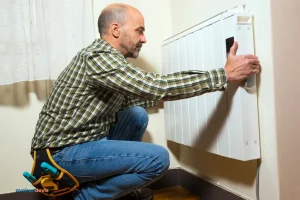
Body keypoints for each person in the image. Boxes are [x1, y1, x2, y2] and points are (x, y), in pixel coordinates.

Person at [30, 3, 260, 200]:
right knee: (158, 158)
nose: (144, 38)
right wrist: (222, 75)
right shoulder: (98, 57)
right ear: (116, 29)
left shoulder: (108, 63)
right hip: (57, 156)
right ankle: (85, 197)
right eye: (139, 30)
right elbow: (154, 87)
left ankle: (104, 190)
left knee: (136, 114)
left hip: (79, 145)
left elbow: (138, 95)